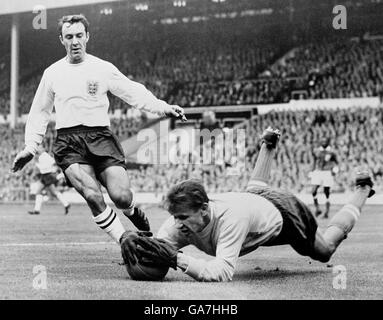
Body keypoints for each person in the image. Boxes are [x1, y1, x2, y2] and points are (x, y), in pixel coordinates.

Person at [11, 14, 186, 250]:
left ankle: (134, 212)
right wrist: (30, 148)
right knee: (93, 196)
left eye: (79, 36)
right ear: (61, 39)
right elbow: (39, 112)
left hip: (101, 138)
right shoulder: (52, 73)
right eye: (69, 36)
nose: (75, 41)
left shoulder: (102, 68)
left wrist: (163, 107)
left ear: (87, 37)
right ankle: (126, 242)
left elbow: (132, 91)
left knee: (121, 196)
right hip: (69, 143)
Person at [132, 127, 375, 282]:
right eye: (175, 217)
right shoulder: (182, 219)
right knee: (254, 188)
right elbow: (161, 244)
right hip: (251, 199)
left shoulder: (230, 219)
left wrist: (178, 260)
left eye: (183, 217)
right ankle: (268, 144)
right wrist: (131, 243)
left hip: (283, 213)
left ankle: (362, 190)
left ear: (204, 209)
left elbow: (222, 272)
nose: (177, 224)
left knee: (325, 250)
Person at [28, 145, 71, 215]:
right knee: (48, 192)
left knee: (43, 192)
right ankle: (66, 204)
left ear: (43, 149)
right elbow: (51, 162)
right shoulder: (42, 156)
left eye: (39, 148)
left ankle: (37, 210)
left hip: (47, 175)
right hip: (45, 176)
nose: (38, 150)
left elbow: (52, 162)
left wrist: (39, 165)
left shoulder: (45, 156)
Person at [310, 137, 339, 218]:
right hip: (318, 171)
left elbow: (337, 162)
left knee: (326, 192)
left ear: (328, 142)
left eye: (325, 141)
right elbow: (314, 161)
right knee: (313, 190)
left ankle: (326, 212)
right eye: (322, 141)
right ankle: (317, 208)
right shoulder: (317, 151)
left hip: (327, 172)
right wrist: (312, 171)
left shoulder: (332, 152)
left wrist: (335, 170)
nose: (323, 142)